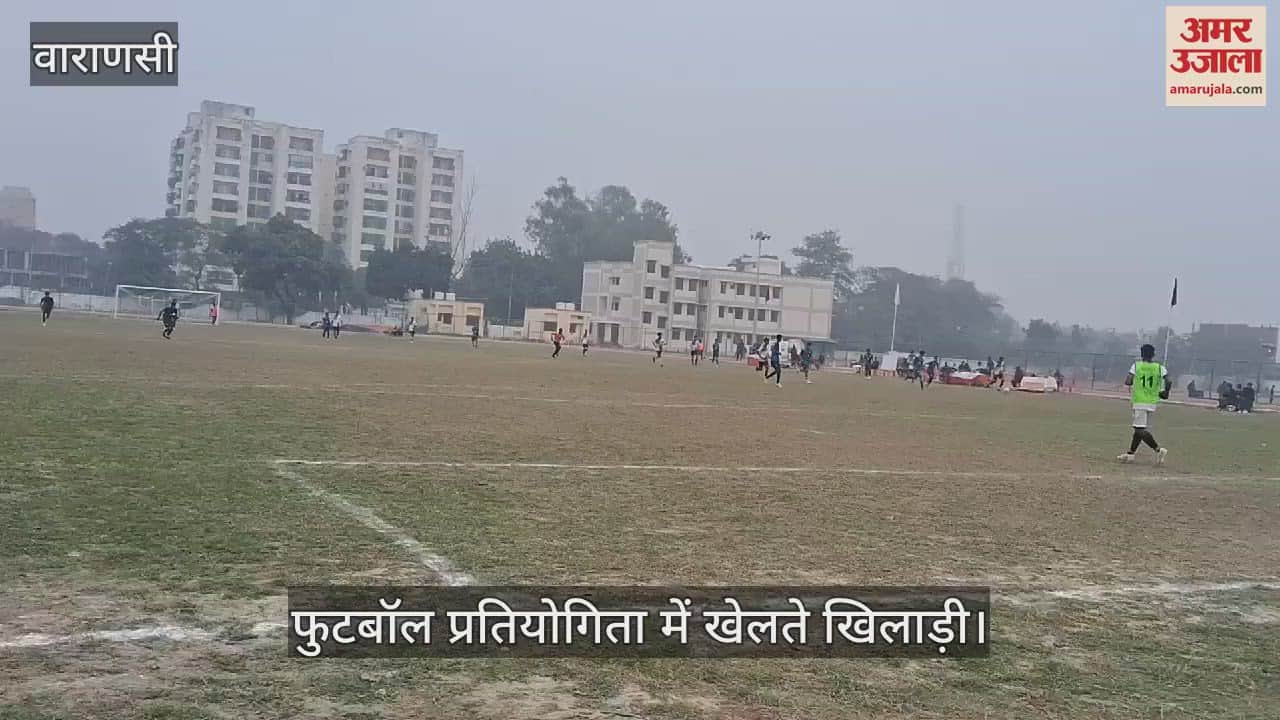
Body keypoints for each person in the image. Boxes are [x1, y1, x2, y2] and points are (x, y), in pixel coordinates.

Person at [1118, 343, 1170, 465]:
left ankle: (1159, 450)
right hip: (1152, 401)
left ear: (1141, 354)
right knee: (1139, 429)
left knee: (1139, 429)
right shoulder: (1159, 367)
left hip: (1140, 400)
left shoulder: (1136, 366)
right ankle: (1130, 454)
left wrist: (1130, 381)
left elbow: (1128, 381)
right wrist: (1165, 392)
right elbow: (1169, 380)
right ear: (1153, 355)